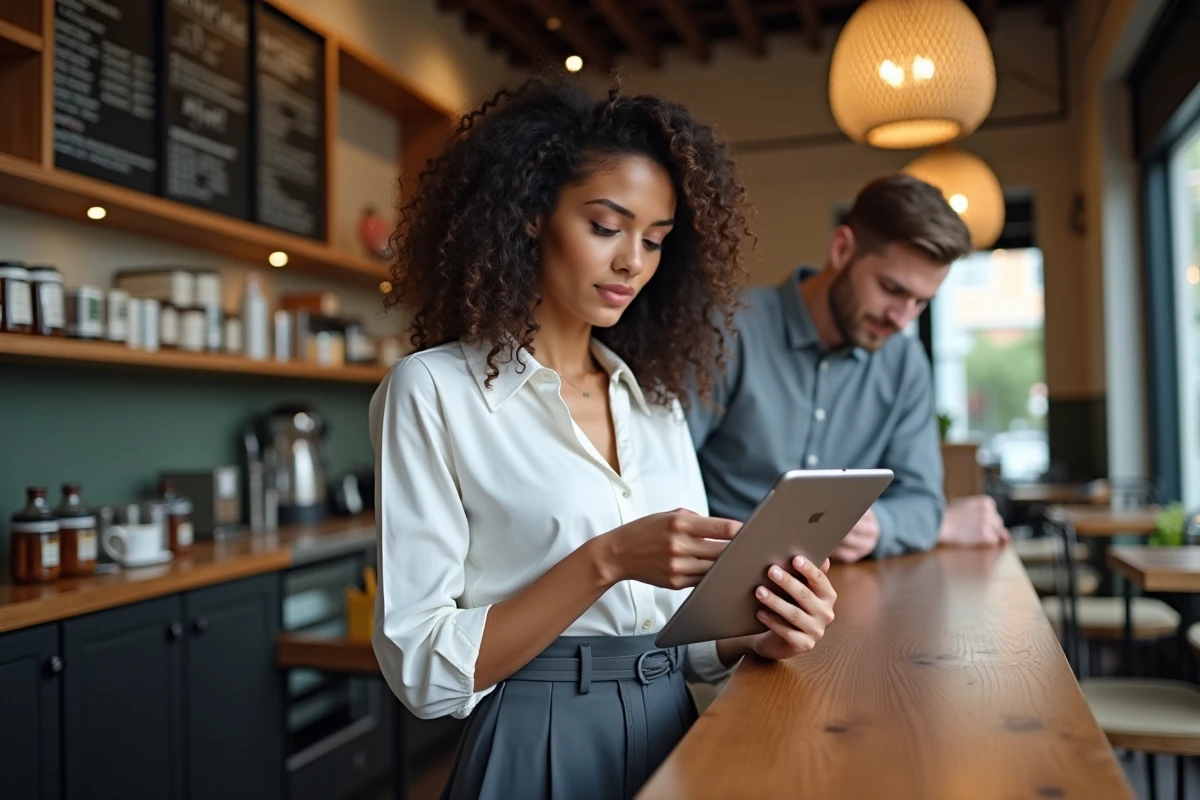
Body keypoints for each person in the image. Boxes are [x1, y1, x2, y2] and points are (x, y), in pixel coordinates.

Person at [369, 76, 838, 800]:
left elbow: (681, 640)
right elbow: (423, 669)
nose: (633, 263)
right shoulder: (433, 391)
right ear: (532, 214)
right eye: (605, 227)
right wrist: (608, 559)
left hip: (672, 728)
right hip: (535, 737)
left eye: (654, 241)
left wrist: (758, 633)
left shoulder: (654, 403)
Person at [687, 174, 974, 563]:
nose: (902, 319)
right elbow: (660, 475)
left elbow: (924, 503)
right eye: (892, 289)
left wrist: (880, 526)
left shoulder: (905, 364)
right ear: (842, 249)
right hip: (713, 574)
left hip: (842, 588)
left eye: (920, 302)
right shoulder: (725, 330)